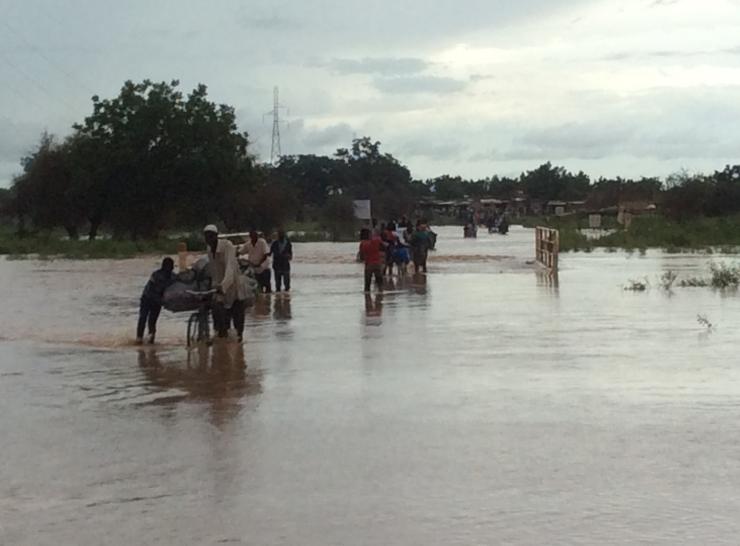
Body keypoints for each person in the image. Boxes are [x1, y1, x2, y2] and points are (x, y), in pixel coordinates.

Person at [204, 224, 249, 342]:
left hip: (235, 287)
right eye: (206, 237)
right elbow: (214, 271)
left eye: (211, 237)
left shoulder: (227, 246)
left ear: (216, 236)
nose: (208, 240)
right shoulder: (209, 250)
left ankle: (239, 350)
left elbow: (230, 269)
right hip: (221, 289)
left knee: (238, 325)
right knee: (220, 316)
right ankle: (221, 336)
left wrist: (223, 286)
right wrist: (214, 286)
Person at [136, 257, 175, 344]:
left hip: (158, 301)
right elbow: (151, 289)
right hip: (147, 298)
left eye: (171, 267)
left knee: (152, 321)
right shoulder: (156, 275)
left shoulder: (173, 277)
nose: (170, 269)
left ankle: (151, 340)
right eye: (168, 267)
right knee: (143, 317)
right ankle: (139, 338)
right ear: (163, 267)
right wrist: (161, 300)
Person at [359, 228, 385, 292]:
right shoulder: (377, 240)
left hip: (369, 265)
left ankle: (367, 298)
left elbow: (361, 257)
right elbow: (384, 247)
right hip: (377, 264)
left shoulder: (362, 243)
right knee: (380, 283)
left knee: (367, 284)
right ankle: (380, 297)